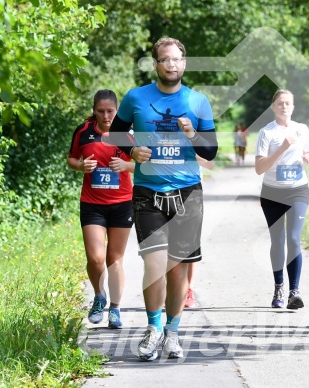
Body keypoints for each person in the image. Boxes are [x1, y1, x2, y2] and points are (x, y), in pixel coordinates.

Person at [107, 37, 217, 361]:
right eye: (165, 60)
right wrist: (131, 150)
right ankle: (153, 329)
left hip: (187, 193)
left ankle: (173, 332)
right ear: (155, 64)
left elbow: (210, 151)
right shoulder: (136, 97)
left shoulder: (198, 101)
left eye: (177, 60)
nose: (171, 65)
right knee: (154, 265)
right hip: (148, 191)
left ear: (184, 64)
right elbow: (115, 133)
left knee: (177, 271)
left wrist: (192, 135)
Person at [67, 89, 135, 330]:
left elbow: (143, 165)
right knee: (95, 258)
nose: (106, 116)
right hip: (92, 203)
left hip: (122, 203)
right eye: (101, 111)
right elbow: (72, 159)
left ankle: (115, 309)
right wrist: (82, 166)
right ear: (94, 111)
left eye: (110, 111)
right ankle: (99, 296)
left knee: (114, 260)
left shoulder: (127, 134)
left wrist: (126, 164)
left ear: (117, 111)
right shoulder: (83, 132)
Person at [254, 89, 309, 310]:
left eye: (288, 103)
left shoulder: (302, 129)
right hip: (272, 192)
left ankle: (294, 291)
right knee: (278, 241)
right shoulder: (267, 132)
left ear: (293, 107)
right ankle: (279, 286)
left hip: (298, 190)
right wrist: (283, 147)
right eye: (280, 103)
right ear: (273, 107)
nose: (284, 107)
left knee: (293, 238)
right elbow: (259, 168)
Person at [184, 155, 215, 308]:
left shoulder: (194, 137)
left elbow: (210, 164)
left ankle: (188, 289)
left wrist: (191, 153)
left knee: (190, 245)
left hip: (190, 193)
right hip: (164, 191)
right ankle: (171, 287)